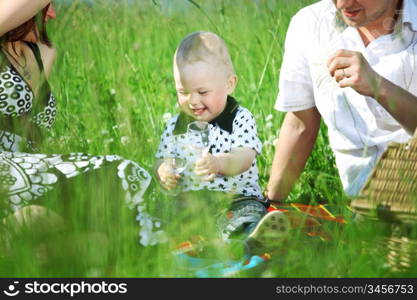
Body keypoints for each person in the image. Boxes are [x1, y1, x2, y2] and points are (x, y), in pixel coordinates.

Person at [0, 0, 165, 249]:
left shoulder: (43, 53)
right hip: (7, 171)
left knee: (96, 238)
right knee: (122, 172)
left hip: (30, 172)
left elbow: (35, 136)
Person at [266, 0, 417, 203]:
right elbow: (300, 124)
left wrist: (379, 87)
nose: (342, 4)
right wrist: (271, 204)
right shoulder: (309, 24)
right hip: (359, 206)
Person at [155, 31, 267, 240]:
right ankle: (166, 237)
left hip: (235, 199)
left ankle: (252, 236)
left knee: (247, 213)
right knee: (161, 211)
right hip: (190, 202)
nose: (193, 101)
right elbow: (161, 160)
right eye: (183, 92)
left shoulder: (239, 118)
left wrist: (218, 163)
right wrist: (164, 171)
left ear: (229, 84)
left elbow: (244, 157)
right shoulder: (174, 126)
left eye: (202, 92)